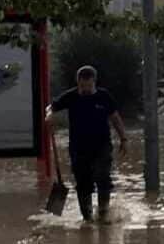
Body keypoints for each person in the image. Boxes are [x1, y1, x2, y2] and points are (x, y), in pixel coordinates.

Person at [45, 65, 127, 223]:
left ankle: (103, 214)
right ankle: (87, 219)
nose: (85, 90)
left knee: (102, 177)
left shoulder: (104, 96)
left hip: (102, 146)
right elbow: (51, 107)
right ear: (78, 82)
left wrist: (124, 139)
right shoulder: (71, 96)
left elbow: (115, 118)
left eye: (88, 86)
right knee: (83, 183)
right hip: (78, 148)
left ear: (94, 82)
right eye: (82, 86)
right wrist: (49, 115)